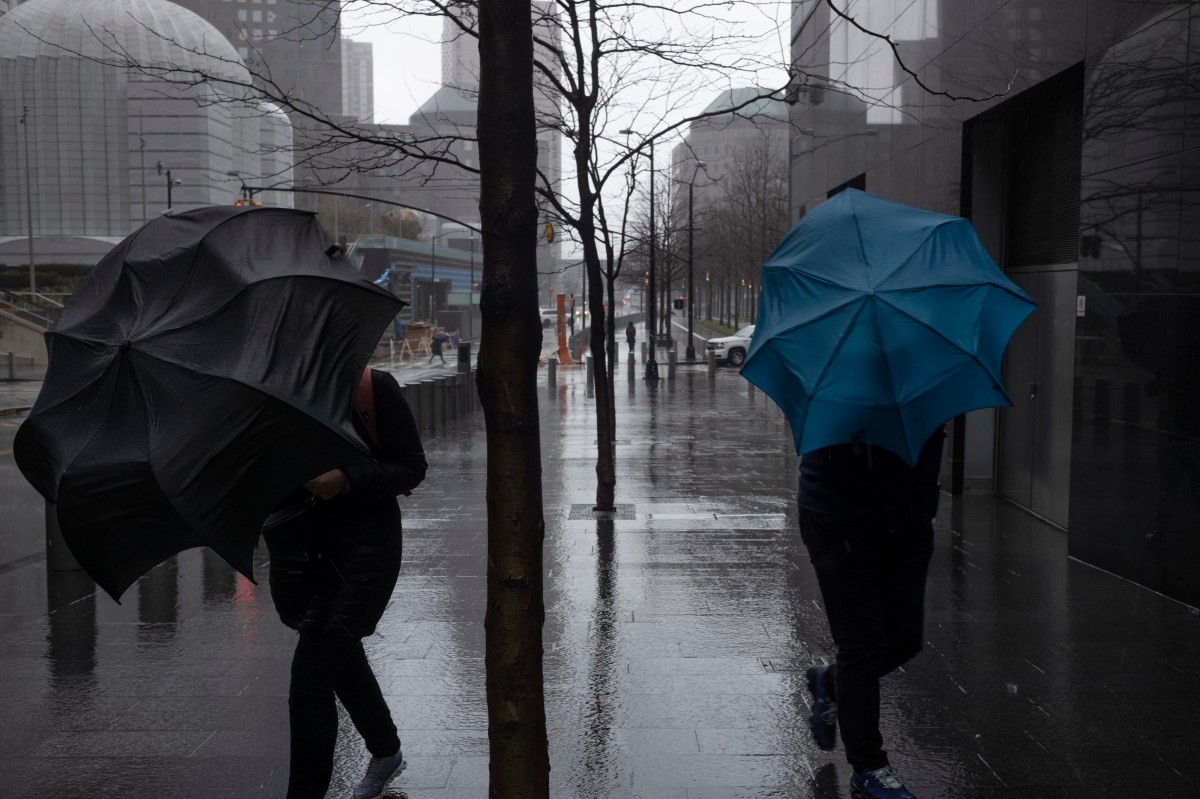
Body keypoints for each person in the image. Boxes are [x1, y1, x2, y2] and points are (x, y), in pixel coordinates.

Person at [266, 368, 427, 799]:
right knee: (339, 658)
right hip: (301, 555)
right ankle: (386, 749)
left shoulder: (369, 389)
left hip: (363, 555)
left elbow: (411, 467)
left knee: (310, 681)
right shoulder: (272, 392)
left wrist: (347, 479)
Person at [797, 426, 945, 799]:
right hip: (836, 516)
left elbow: (931, 443)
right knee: (861, 644)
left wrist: (923, 510)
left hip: (905, 523)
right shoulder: (837, 378)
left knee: (904, 640)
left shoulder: (921, 376)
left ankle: (830, 682)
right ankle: (869, 768)